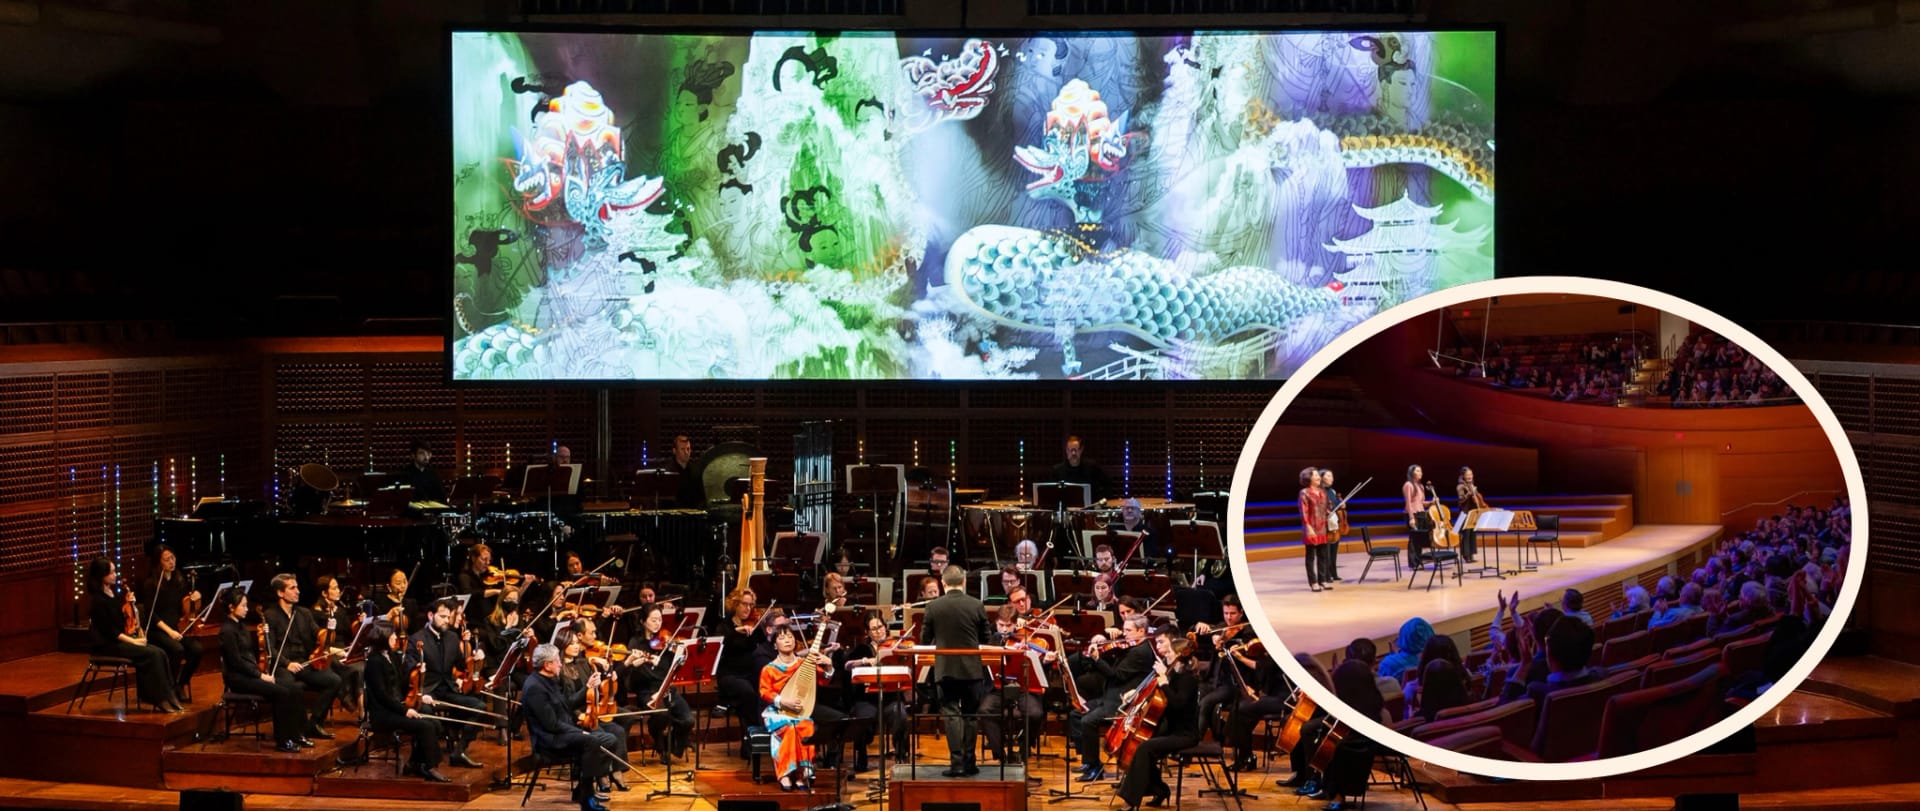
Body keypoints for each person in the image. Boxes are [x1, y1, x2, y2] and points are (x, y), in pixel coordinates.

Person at [522, 643, 615, 811]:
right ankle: (587, 800)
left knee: (608, 739)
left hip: (562, 731)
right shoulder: (535, 687)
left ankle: (581, 790)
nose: (560, 663)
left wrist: (588, 687)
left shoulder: (550, 680)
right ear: (547, 665)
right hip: (550, 740)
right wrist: (581, 732)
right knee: (591, 742)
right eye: (557, 660)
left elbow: (567, 704)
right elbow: (551, 725)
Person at [1115, 633, 1200, 811]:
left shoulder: (1188, 679)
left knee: (1145, 748)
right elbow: (1158, 700)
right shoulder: (1173, 675)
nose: (1165, 655)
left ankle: (1130, 801)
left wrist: (1164, 683)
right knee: (1140, 747)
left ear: (1178, 656)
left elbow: (1178, 704)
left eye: (1169, 652)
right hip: (1170, 730)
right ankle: (1159, 790)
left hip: (1185, 735)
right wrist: (1137, 698)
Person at [86, 556, 183, 713]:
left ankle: (167, 694)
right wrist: (134, 642)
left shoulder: (113, 594)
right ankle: (159, 698)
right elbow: (111, 632)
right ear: (101, 575)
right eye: (111, 572)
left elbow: (124, 622)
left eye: (114, 571)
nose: (115, 575)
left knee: (160, 652)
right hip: (108, 645)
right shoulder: (98, 601)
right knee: (152, 654)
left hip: (120, 640)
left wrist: (132, 606)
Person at [216, 588, 308, 751]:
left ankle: (295, 734)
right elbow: (237, 662)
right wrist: (260, 676)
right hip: (238, 679)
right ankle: (283, 740)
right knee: (281, 692)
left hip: (250, 674)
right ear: (231, 607)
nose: (247, 609)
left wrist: (262, 634)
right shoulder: (227, 631)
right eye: (243, 606)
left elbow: (250, 654)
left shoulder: (241, 626)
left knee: (295, 688)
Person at [922, 565, 990, 777]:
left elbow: (925, 639)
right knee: (970, 715)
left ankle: (957, 764)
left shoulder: (933, 606)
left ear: (943, 584)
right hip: (972, 670)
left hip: (946, 670)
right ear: (964, 581)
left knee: (951, 715)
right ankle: (970, 763)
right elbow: (985, 637)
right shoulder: (976, 604)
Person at [364, 620, 450, 781]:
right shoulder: (374, 662)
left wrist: (420, 692)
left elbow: (403, 684)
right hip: (382, 714)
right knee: (425, 725)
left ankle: (415, 763)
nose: (395, 637)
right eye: (392, 635)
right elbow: (382, 695)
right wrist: (405, 711)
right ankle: (429, 767)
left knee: (435, 723)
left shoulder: (392, 656)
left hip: (397, 707)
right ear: (383, 637)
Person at [1073, 614, 1155, 781]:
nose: (1124, 634)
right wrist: (1102, 642)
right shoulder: (1132, 647)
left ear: (1141, 631)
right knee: (1075, 714)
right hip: (1110, 696)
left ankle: (1095, 769)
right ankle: (1089, 761)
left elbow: (1116, 675)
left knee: (1088, 721)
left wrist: (1097, 659)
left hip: (1121, 702)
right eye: (1124, 629)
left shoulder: (1140, 652)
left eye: (1128, 630)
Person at [261, 573, 342, 739]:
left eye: (297, 587)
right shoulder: (270, 615)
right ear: (280, 593)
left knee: (334, 680)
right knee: (293, 687)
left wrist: (328, 631)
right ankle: (297, 731)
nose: (297, 591)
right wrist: (287, 663)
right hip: (283, 666)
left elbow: (318, 633)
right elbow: (270, 649)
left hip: (304, 662)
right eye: (292, 588)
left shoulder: (304, 613)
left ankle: (315, 723)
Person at [409, 597, 486, 767]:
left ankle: (459, 751)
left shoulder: (452, 637)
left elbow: (461, 665)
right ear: (430, 615)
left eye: (448, 617)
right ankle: (424, 761)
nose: (446, 620)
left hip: (447, 688)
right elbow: (408, 669)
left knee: (479, 706)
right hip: (427, 691)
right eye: (442, 616)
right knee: (427, 715)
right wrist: (422, 692)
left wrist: (474, 658)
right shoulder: (416, 639)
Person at [760, 625, 833, 790]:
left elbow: (824, 680)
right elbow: (765, 692)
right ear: (775, 645)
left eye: (790, 637)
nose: (787, 640)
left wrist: (828, 665)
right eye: (782, 638)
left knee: (806, 725)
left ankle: (802, 771)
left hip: (801, 712)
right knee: (791, 728)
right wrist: (783, 701)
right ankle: (786, 773)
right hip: (777, 713)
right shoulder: (769, 669)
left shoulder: (804, 664)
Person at [836, 613, 912, 773]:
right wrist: (865, 661)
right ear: (868, 632)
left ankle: (901, 754)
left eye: (880, 627)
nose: (879, 631)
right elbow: (847, 665)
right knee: (862, 718)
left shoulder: (895, 646)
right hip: (867, 698)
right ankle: (861, 755)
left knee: (901, 716)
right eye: (874, 629)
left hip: (891, 697)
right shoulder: (862, 649)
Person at [623, 603, 693, 765]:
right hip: (647, 690)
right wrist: (642, 661)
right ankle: (659, 740)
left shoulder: (666, 642)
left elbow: (675, 668)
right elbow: (633, 675)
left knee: (688, 720)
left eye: (660, 620)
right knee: (661, 715)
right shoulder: (636, 643)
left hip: (667, 688)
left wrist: (677, 653)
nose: (658, 624)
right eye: (653, 620)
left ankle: (670, 745)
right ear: (643, 621)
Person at [982, 604, 1050, 765]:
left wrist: (1045, 660)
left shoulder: (1025, 638)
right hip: (999, 688)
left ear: (1015, 624)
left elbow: (1038, 669)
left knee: (1035, 714)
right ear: (996, 623)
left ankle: (1024, 749)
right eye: (1001, 625)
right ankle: (1001, 755)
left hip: (1024, 688)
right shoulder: (992, 639)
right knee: (985, 710)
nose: (1005, 629)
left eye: (1009, 625)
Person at [143, 545, 205, 703]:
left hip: (177, 628)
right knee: (177, 649)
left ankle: (180, 684)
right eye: (167, 559)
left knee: (197, 649)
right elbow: (151, 614)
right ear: (159, 563)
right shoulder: (151, 584)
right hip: (158, 630)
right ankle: (168, 688)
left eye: (173, 557)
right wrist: (169, 631)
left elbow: (185, 606)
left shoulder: (179, 581)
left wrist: (195, 598)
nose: (171, 562)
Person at [713, 587, 767, 737]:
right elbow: (718, 647)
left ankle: (753, 737)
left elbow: (765, 644)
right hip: (730, 675)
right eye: (744, 604)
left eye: (751, 605)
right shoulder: (724, 627)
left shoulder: (754, 626)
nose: (748, 608)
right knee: (748, 693)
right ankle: (754, 734)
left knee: (764, 691)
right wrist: (736, 632)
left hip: (750, 674)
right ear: (735, 604)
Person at [310, 574, 364, 714]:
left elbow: (349, 633)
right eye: (334, 588)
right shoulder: (315, 613)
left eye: (338, 587)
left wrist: (359, 623)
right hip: (327, 651)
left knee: (362, 667)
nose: (338, 591)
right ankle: (349, 699)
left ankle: (362, 711)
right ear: (324, 593)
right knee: (352, 669)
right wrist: (337, 651)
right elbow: (317, 640)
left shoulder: (340, 611)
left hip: (343, 649)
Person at [1049, 436, 1112, 502]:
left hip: (1089, 507)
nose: (1073, 453)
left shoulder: (1092, 467)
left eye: (1076, 450)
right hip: (1066, 507)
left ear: (1081, 450)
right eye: (1070, 450)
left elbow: (1107, 484)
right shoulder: (1057, 470)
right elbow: (1052, 493)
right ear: (1066, 451)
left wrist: (1100, 501)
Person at [1300, 468, 1333, 592]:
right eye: (1316, 475)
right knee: (1311, 557)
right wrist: (1308, 527)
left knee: (1322, 555)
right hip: (1311, 528)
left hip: (1322, 527)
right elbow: (1304, 511)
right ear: (1309, 478)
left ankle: (1322, 580)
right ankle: (1313, 582)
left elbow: (1326, 507)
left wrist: (1329, 510)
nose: (1319, 477)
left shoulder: (1322, 492)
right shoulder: (1304, 493)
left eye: (1318, 475)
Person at [1317, 469, 1346, 581]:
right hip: (1325, 525)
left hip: (1334, 523)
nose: (1331, 478)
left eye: (1332, 476)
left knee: (1334, 551)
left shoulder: (1332, 491)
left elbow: (1336, 505)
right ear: (1321, 477)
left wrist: (1341, 504)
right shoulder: (1319, 491)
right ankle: (1326, 575)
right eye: (1328, 476)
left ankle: (1334, 573)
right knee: (1326, 552)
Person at [1403, 465, 1434, 567]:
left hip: (1421, 514)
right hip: (1413, 514)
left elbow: (1421, 503)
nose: (1420, 473)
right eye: (1418, 471)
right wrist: (1411, 518)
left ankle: (1418, 560)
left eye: (1421, 471)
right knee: (1413, 539)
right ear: (1412, 472)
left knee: (1420, 539)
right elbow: (1408, 503)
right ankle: (1413, 563)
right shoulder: (1408, 485)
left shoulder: (1421, 486)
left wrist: (1431, 502)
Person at [1455, 467, 1484, 563]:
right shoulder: (1460, 487)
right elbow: (1460, 500)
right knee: (1466, 534)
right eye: (1467, 475)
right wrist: (1469, 494)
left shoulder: (1472, 486)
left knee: (1472, 534)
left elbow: (1477, 499)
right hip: (1465, 513)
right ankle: (1466, 555)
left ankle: (1471, 554)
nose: (1470, 476)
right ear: (1463, 476)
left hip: (1473, 513)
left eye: (1471, 474)